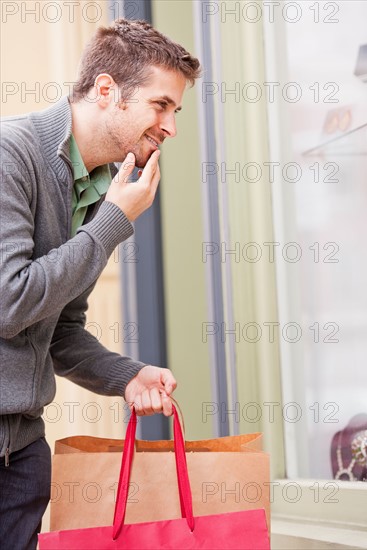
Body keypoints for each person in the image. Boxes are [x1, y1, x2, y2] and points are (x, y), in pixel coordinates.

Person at [0, 18, 201, 549]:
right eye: (161, 106)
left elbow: (58, 330)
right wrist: (112, 222)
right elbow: (10, 301)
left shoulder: (97, 185)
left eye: (174, 111)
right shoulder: (9, 155)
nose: (170, 128)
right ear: (107, 90)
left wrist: (127, 377)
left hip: (21, 454)